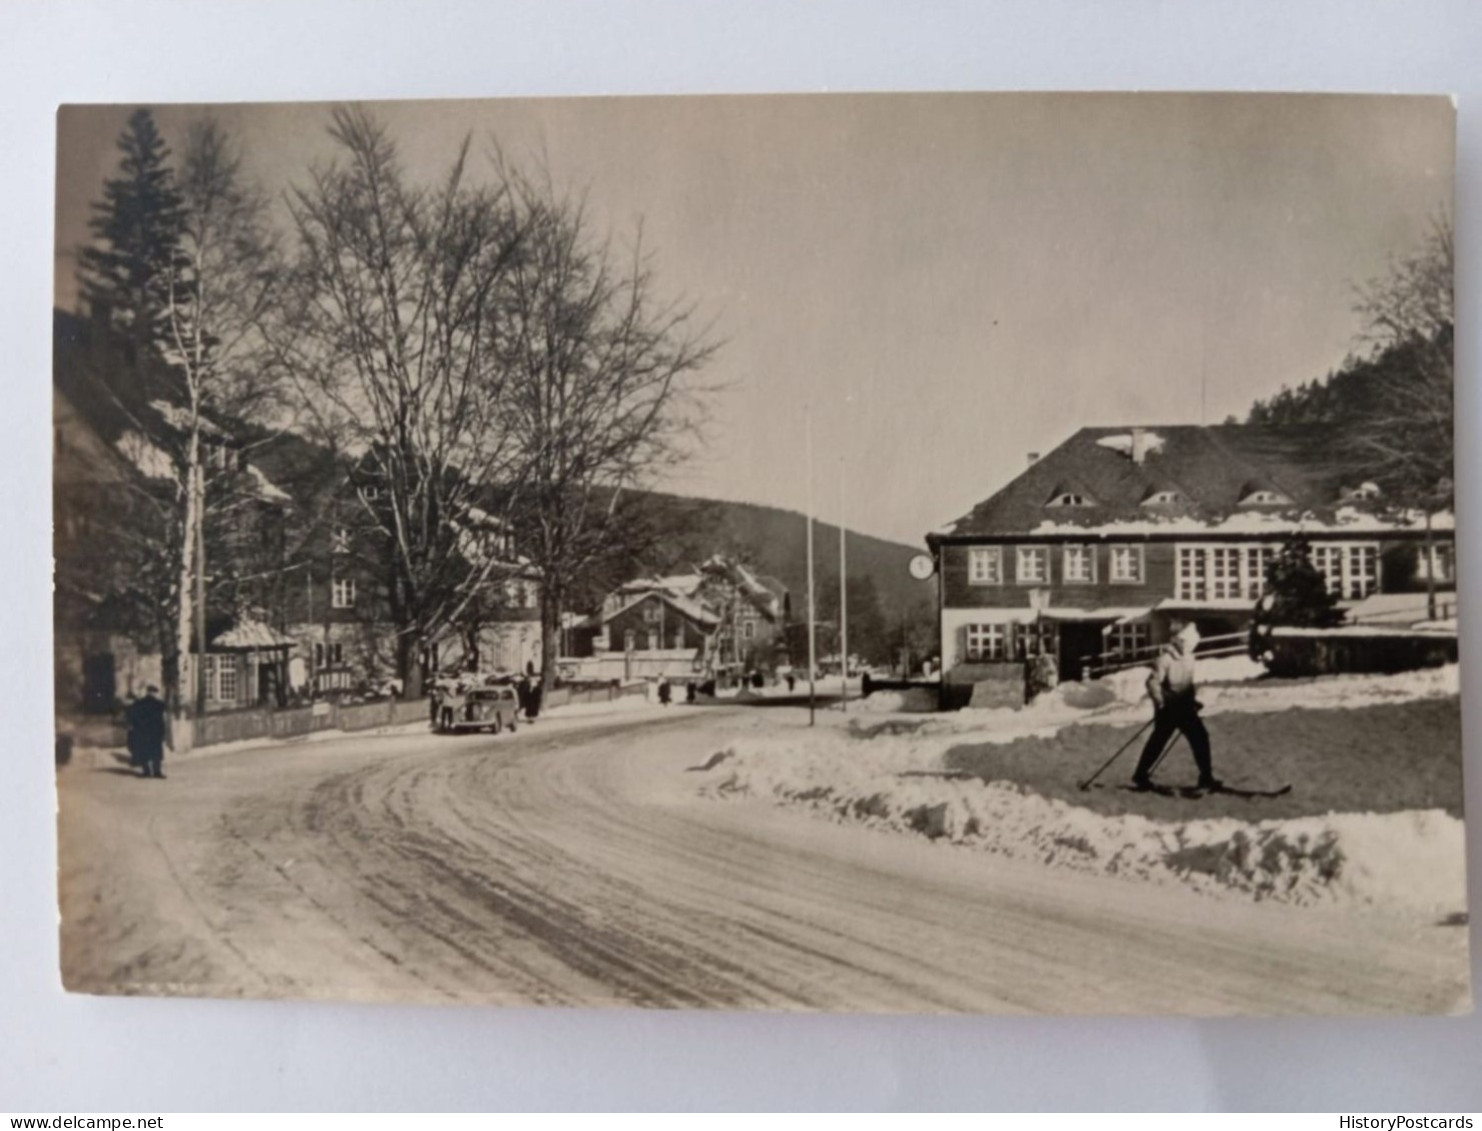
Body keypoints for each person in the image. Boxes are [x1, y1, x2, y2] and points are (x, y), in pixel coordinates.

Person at [1132, 622, 1220, 791]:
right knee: (1158, 742)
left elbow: (1186, 684)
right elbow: (1152, 683)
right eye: (1188, 644)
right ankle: (1140, 775)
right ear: (1180, 641)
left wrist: (1192, 700)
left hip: (1185, 709)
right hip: (1168, 710)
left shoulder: (1190, 659)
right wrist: (1161, 702)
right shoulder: (1165, 659)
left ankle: (1206, 777)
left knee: (1200, 738)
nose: (1190, 647)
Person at [126, 685, 170, 779]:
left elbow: (133, 715)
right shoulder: (159, 704)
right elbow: (162, 719)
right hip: (155, 732)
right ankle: (157, 772)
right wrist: (162, 732)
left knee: (144, 752)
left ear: (147, 692)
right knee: (156, 753)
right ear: (154, 693)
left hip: (143, 732)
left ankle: (146, 771)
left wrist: (135, 727)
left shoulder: (139, 703)